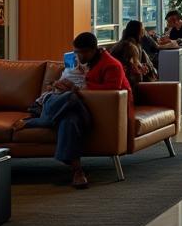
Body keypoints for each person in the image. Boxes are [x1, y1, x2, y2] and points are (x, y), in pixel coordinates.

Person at [49, 32, 132, 188]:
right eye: (76, 52)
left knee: (70, 102)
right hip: (83, 106)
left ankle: (41, 118)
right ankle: (77, 171)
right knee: (70, 119)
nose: (79, 56)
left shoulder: (112, 65)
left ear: (93, 50)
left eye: (82, 52)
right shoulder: (85, 64)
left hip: (105, 110)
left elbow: (111, 91)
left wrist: (77, 89)